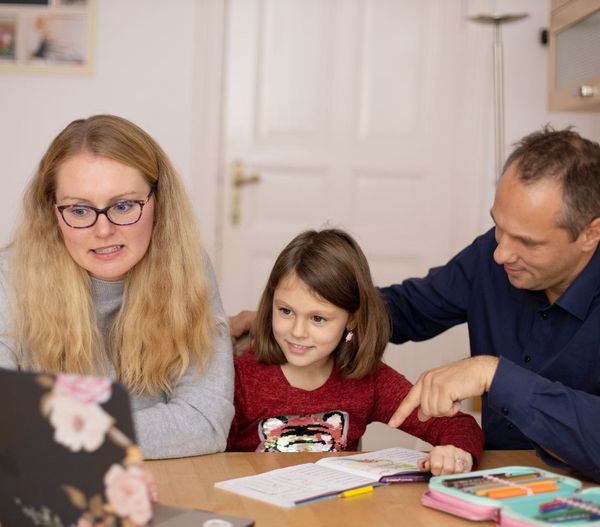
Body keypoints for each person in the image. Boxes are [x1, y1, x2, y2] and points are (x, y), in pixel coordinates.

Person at [230, 127, 600, 482]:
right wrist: (322, 307)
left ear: (590, 233)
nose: (501, 253)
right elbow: (406, 307)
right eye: (498, 228)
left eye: (527, 242)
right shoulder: (491, 255)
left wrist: (494, 374)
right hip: (494, 476)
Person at [0, 114, 234, 459]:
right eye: (79, 210)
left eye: (123, 206)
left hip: (166, 482)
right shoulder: (9, 278)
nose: (104, 230)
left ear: (159, 202)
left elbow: (205, 421)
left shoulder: (188, 267)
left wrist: (58, 430)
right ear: (52, 212)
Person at [227, 229, 483, 475]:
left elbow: (458, 424)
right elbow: (209, 458)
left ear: (352, 320)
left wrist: (455, 452)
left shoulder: (368, 380)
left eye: (317, 318)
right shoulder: (242, 378)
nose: (297, 331)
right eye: (285, 311)